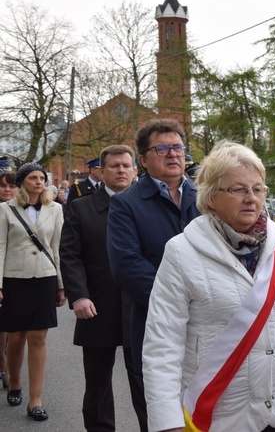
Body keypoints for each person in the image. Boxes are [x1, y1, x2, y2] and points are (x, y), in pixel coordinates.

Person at [142, 141, 275, 432]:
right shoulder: (181, 251)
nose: (251, 198)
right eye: (237, 189)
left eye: (258, 189)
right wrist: (167, 420)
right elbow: (163, 343)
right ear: (210, 197)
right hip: (222, 414)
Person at [60, 145, 148, 432]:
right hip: (97, 305)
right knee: (97, 384)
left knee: (147, 382)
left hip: (141, 306)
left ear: (136, 170)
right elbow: (70, 255)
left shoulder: (148, 207)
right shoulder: (81, 208)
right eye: (114, 166)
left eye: (126, 165)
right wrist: (79, 295)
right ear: (100, 171)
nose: (121, 170)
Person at [108, 119, 200, 376]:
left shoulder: (208, 197)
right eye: (161, 149)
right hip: (157, 320)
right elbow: (127, 265)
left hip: (209, 323)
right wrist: (177, 302)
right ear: (143, 160)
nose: (172, 154)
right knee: (161, 409)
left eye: (178, 147)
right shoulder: (125, 204)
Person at [0, 163, 66, 422]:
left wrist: (61, 285)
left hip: (45, 278)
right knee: (16, 337)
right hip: (14, 278)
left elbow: (56, 247)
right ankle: (14, 382)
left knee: (38, 338)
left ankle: (35, 400)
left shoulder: (56, 209)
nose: (39, 182)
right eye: (33, 178)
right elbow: (0, 248)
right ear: (21, 182)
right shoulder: (5, 210)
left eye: (42, 177)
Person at [0, 171, 17, 390]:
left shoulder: (23, 211)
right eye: (3, 186)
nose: (7, 189)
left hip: (13, 272)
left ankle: (6, 365)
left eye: (11, 186)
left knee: (9, 323)